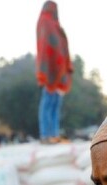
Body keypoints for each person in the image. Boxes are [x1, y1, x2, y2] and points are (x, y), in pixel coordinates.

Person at [36, 0, 73, 144]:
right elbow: (45, 45)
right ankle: (46, 134)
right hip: (50, 68)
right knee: (47, 102)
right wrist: (46, 69)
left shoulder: (56, 26)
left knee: (56, 103)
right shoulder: (44, 21)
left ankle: (55, 134)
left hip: (59, 69)